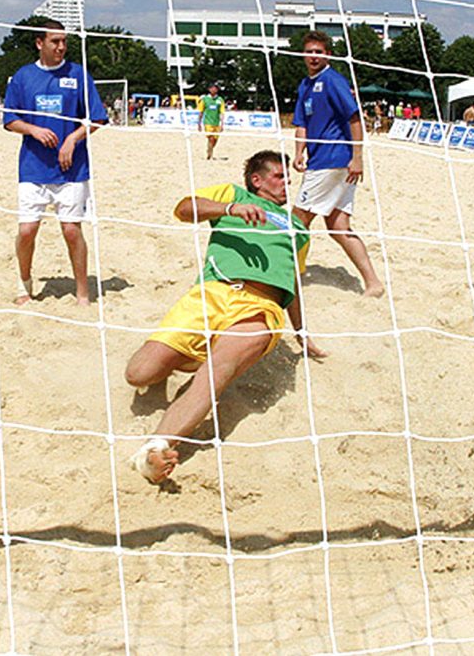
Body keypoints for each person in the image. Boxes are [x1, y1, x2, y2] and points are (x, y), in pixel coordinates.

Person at [124, 151, 324, 483]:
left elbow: (293, 281)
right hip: (211, 293)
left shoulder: (298, 227)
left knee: (215, 374)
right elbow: (184, 208)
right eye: (279, 176)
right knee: (139, 373)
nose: (287, 182)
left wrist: (301, 332)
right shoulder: (234, 194)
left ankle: (154, 450)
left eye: (288, 178)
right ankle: (187, 358)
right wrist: (231, 209)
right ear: (257, 180)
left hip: (261, 306)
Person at [2, 19, 108, 306]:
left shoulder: (78, 74)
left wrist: (73, 139)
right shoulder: (23, 77)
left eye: (64, 41)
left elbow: (97, 119)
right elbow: (9, 120)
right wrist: (33, 130)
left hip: (72, 169)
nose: (61, 47)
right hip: (33, 167)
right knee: (27, 230)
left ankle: (83, 293)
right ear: (40, 43)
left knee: (71, 230)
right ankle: (24, 284)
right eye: (55, 41)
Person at [290, 30, 384, 298]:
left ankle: (287, 275)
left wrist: (357, 157)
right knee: (338, 227)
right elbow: (302, 124)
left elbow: (355, 119)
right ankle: (373, 283)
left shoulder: (333, 81)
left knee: (297, 220)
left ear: (327, 54)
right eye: (309, 52)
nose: (313, 56)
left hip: (333, 160)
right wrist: (299, 152)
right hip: (321, 159)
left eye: (319, 52)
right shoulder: (305, 85)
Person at [197, 84, 227, 160]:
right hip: (208, 122)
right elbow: (201, 112)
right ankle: (210, 155)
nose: (213, 90)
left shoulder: (220, 100)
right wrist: (199, 123)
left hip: (216, 123)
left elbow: (222, 112)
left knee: (215, 140)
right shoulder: (205, 99)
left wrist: (222, 123)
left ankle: (209, 150)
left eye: (215, 88)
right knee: (211, 138)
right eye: (212, 88)